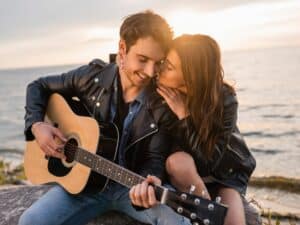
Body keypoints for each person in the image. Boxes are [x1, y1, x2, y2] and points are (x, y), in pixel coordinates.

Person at [19, 11, 191, 225]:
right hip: (83, 188)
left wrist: (150, 180)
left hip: (130, 189)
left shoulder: (162, 102)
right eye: (143, 59)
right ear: (122, 48)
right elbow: (39, 86)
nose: (149, 71)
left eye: (158, 63)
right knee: (31, 221)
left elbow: (154, 158)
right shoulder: (91, 78)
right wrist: (37, 125)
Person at [153, 34, 256, 225]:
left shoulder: (225, 98)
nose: (160, 69)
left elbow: (210, 163)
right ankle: (207, 216)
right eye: (164, 62)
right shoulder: (161, 96)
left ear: (191, 74)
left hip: (224, 174)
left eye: (169, 66)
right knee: (178, 161)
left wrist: (184, 115)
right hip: (186, 175)